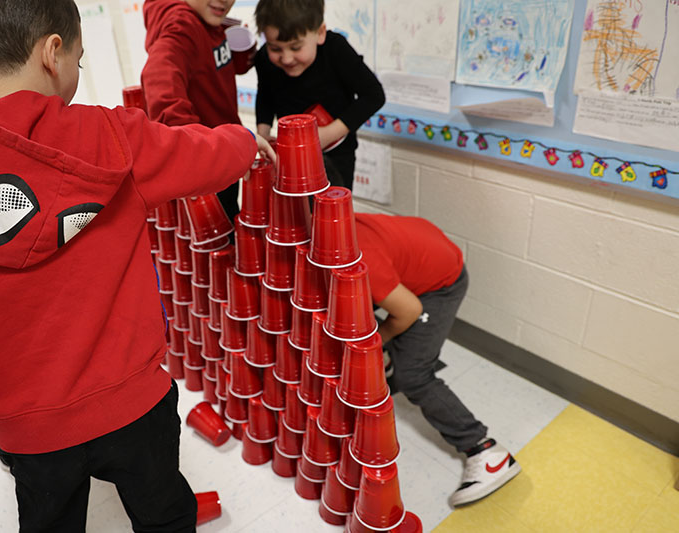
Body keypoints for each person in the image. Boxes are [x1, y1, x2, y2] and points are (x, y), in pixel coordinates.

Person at [0, 0, 273, 530]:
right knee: (164, 511)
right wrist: (247, 141)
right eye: (80, 62)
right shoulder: (112, 137)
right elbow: (202, 155)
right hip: (135, 403)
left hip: (27, 431)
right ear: (53, 53)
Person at [355, 212, 521, 507]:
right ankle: (388, 358)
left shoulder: (361, 253)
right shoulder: (332, 226)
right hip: (422, 255)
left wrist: (374, 343)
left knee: (413, 375)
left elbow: (409, 310)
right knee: (351, 301)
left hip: (440, 285)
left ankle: (485, 451)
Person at [254, 0, 385, 190]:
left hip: (336, 153)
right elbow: (265, 96)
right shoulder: (264, 59)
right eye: (275, 48)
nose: (287, 58)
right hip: (290, 154)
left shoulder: (336, 50)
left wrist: (329, 133)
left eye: (296, 47)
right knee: (293, 209)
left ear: (320, 33)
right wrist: (263, 133)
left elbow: (374, 95)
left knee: (330, 209)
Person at [141, 0, 242, 222]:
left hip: (221, 156)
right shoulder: (182, 25)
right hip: (210, 167)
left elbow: (208, 64)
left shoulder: (206, 16)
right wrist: (194, 143)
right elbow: (159, 79)